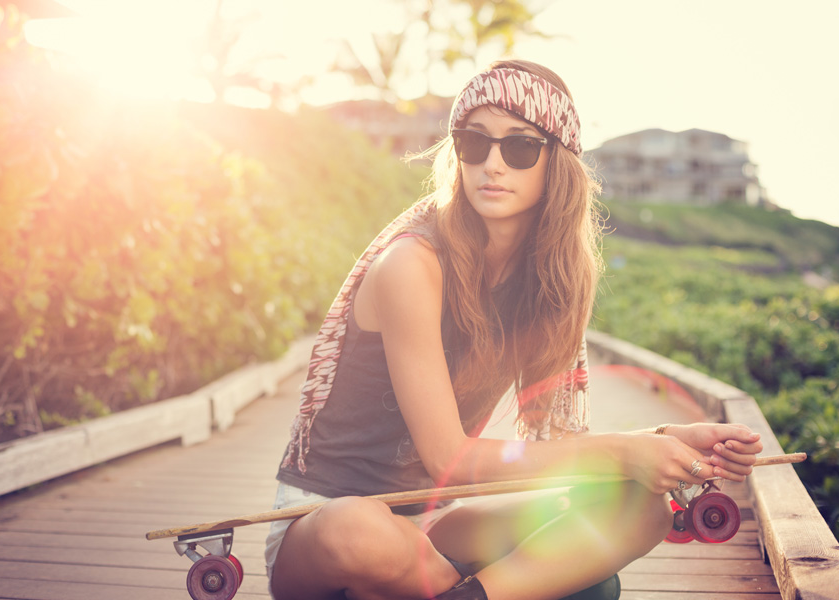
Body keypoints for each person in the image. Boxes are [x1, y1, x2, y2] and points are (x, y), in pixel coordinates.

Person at [264, 59, 763, 600]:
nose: (492, 164)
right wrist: (625, 455)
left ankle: (467, 593)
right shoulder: (413, 264)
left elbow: (560, 449)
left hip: (432, 523)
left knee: (638, 507)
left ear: (557, 161)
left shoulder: (549, 283)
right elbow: (448, 460)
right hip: (324, 525)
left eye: (519, 147)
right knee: (356, 530)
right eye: (474, 143)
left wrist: (663, 444)